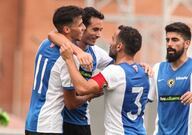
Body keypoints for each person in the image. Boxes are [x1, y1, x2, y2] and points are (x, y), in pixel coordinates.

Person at [60, 25, 151, 135]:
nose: (110, 43)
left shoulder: (114, 71)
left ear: (119, 46)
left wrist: (69, 59)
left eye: (113, 40)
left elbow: (82, 88)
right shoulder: (145, 72)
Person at [25, 5, 96, 135]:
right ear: (67, 29)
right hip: (49, 125)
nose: (84, 28)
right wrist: (92, 94)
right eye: (80, 25)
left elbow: (52, 34)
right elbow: (71, 103)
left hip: (31, 123)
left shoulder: (44, 44)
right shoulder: (68, 58)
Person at [48, 7, 113, 135]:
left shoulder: (97, 53)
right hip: (59, 121)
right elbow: (52, 34)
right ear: (82, 27)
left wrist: (99, 84)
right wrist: (92, 93)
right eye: (95, 29)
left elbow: (118, 68)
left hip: (82, 122)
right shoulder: (64, 48)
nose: (99, 34)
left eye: (100, 30)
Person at [148, 22, 192, 135]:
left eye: (175, 40)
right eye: (167, 40)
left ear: (187, 44)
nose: (169, 44)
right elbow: (143, 97)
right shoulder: (158, 68)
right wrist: (141, 69)